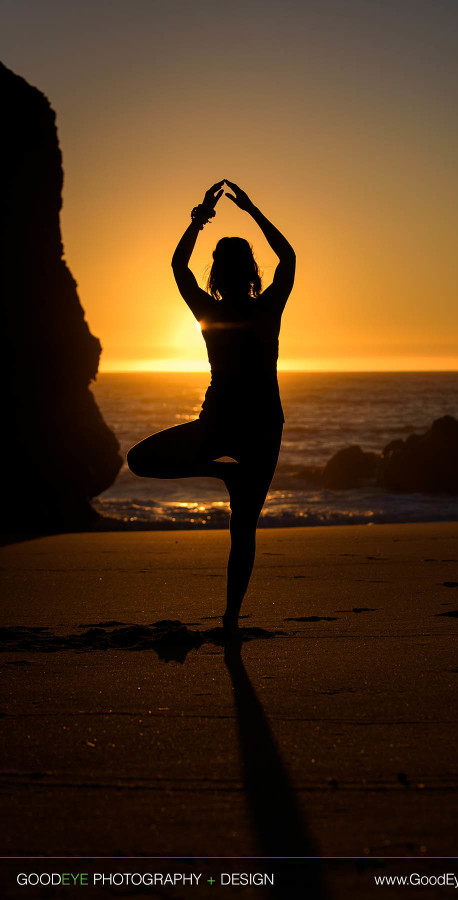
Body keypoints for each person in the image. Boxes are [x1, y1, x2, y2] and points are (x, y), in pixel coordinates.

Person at [127, 180, 295, 637]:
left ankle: (221, 473)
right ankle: (230, 621)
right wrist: (254, 210)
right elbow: (289, 259)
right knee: (243, 530)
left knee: (139, 460)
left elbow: (179, 264)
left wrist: (201, 216)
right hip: (258, 426)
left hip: (222, 424)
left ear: (217, 275)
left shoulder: (207, 309)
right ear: (251, 271)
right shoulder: (269, 309)